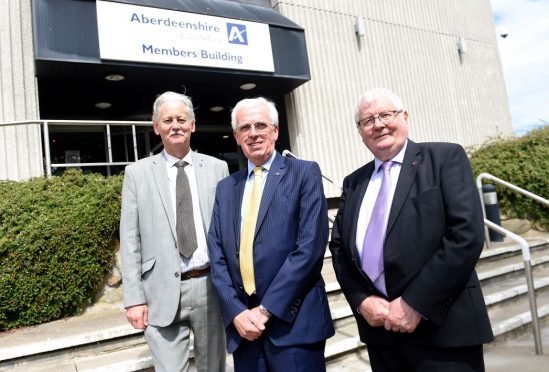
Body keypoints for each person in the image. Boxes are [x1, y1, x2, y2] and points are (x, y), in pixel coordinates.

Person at [330, 88, 494, 371]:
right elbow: (340, 249)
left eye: (386, 114)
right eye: (367, 120)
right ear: (360, 131)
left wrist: (415, 303)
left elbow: (465, 235)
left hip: (443, 332)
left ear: (405, 117)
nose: (378, 124)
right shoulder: (353, 182)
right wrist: (361, 300)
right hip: (382, 336)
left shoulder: (444, 158)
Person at [208, 97, 335, 371]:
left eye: (260, 125)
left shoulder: (304, 173)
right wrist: (237, 313)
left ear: (275, 131)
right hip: (244, 331)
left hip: (294, 324)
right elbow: (216, 256)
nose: (253, 133)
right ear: (236, 137)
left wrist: (265, 310)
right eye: (245, 128)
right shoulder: (226, 188)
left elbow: (310, 248)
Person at [120, 91, 228, 372]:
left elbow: (229, 232)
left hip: (209, 288)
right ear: (156, 127)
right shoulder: (137, 174)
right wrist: (134, 299)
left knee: (214, 368)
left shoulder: (218, 169)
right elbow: (130, 240)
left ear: (193, 124)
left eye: (182, 119)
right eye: (167, 120)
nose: (175, 125)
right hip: (160, 292)